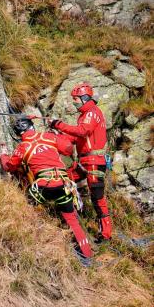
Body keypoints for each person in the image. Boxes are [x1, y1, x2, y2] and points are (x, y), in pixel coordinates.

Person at [0, 118, 93, 260]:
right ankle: (87, 255)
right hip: (63, 184)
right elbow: (68, 149)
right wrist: (57, 135)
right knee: (72, 219)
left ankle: (37, 246)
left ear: (19, 134)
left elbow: (9, 167)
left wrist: (3, 155)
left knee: (26, 209)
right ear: (32, 127)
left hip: (43, 186)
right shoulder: (49, 137)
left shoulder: (23, 147)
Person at [50, 82, 112, 243]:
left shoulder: (91, 113)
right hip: (86, 161)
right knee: (67, 180)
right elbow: (78, 137)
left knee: (97, 196)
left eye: (76, 99)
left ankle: (105, 233)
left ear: (84, 98)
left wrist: (60, 125)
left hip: (93, 161)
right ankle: (70, 214)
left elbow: (83, 131)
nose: (74, 102)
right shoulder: (86, 115)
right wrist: (57, 134)